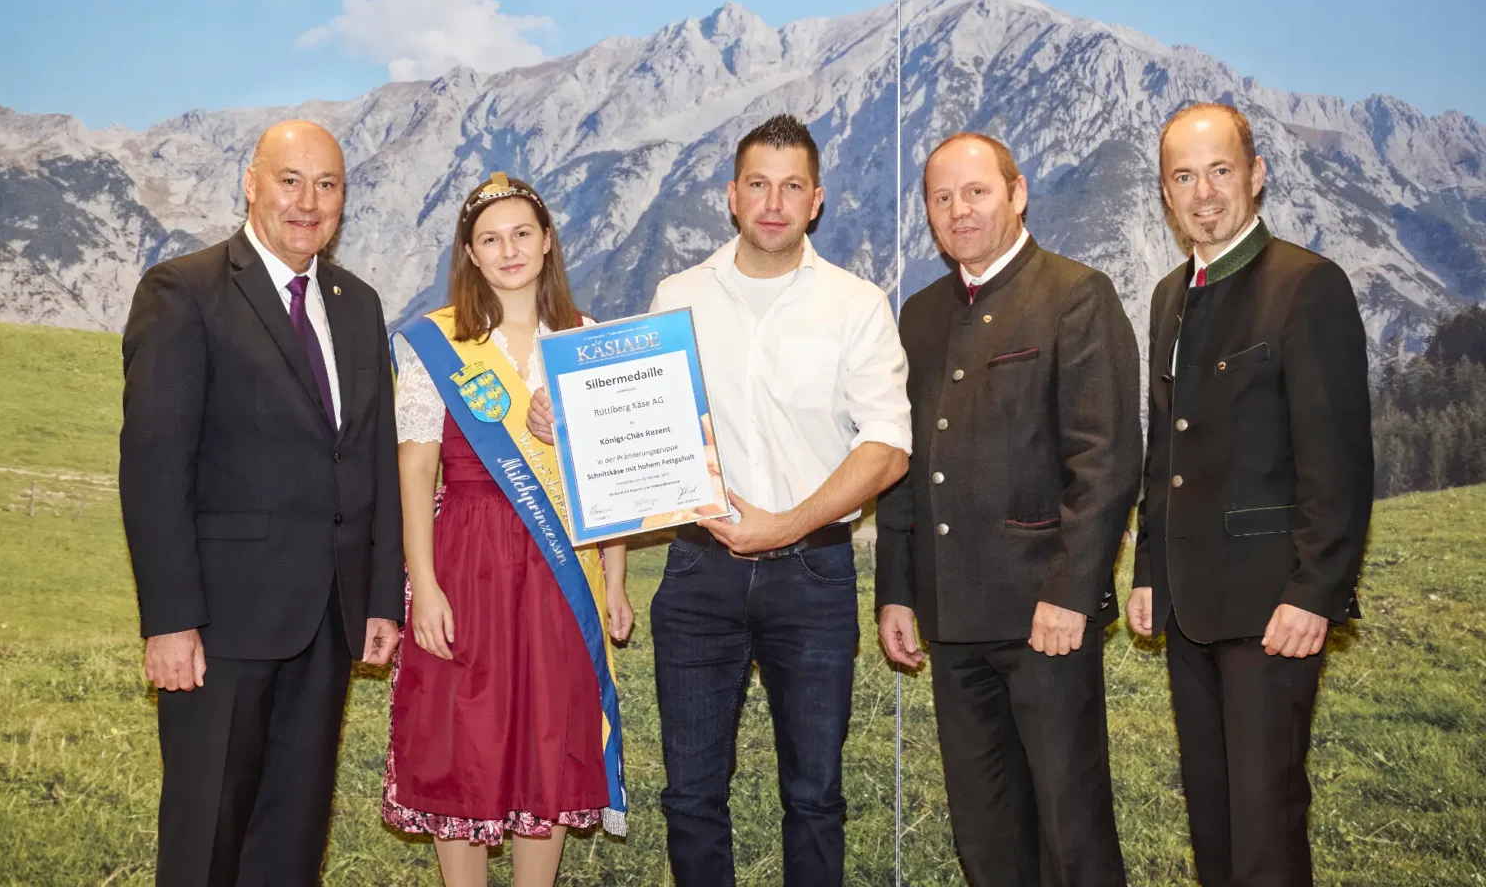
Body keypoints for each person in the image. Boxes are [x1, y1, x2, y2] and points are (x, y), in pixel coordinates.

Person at [529, 114, 911, 887]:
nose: (774, 202)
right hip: (700, 577)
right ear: (732, 197)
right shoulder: (680, 294)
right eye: (759, 185)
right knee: (692, 796)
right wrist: (564, 420)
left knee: (815, 794)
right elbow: (636, 418)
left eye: (792, 186)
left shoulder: (857, 304)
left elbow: (887, 446)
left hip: (815, 573)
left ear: (818, 201)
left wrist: (784, 525)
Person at [119, 120, 405, 886]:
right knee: (206, 837)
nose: (308, 203)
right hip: (221, 628)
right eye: (291, 180)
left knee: (293, 837)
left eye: (328, 185)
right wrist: (170, 621)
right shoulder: (186, 292)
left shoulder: (358, 304)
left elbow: (372, 456)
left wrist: (381, 599)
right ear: (251, 183)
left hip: (329, 625)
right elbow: (154, 468)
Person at [876, 132, 1138, 887]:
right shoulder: (920, 316)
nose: (959, 211)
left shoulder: (1075, 294)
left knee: (1070, 828)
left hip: (1042, 619)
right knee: (985, 836)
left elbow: (1106, 461)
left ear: (1017, 194)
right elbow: (904, 465)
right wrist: (895, 589)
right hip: (951, 618)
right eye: (942, 197)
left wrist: (1069, 593)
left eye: (976, 192)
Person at [1126, 102, 1372, 887]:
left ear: (1256, 176)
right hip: (1189, 609)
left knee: (1265, 829)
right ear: (1165, 193)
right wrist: (1147, 574)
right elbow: (1167, 450)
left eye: (1220, 171)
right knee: (1214, 822)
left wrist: (1315, 592)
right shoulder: (1171, 295)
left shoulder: (1308, 286)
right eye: (1184, 177)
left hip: (1275, 612)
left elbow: (1339, 463)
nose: (1204, 194)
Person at [382, 171, 634, 887]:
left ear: (548, 241)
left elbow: (613, 475)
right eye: (491, 239)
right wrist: (423, 583)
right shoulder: (437, 343)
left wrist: (615, 581)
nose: (510, 250)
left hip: (563, 568)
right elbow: (415, 468)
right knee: (466, 738)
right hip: (467, 558)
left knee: (548, 738)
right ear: (470, 252)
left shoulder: (588, 339)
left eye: (523, 233)